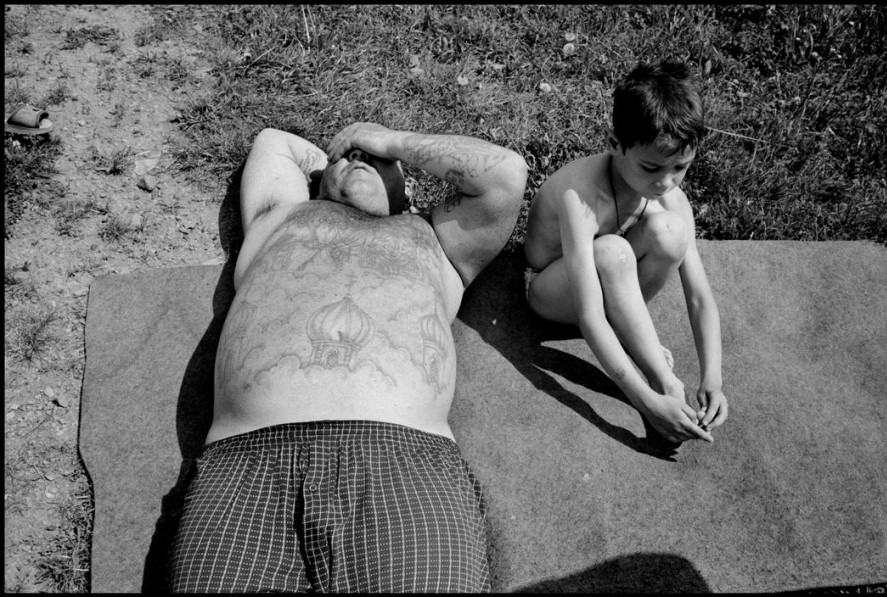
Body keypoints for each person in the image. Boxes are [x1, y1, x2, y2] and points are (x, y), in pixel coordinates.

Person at [167, 123, 527, 592]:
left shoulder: (440, 242)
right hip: (246, 468)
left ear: (407, 190)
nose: (359, 158)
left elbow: (505, 174)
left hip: (403, 466)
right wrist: (342, 164)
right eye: (347, 155)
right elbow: (274, 142)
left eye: (376, 160)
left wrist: (387, 141)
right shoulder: (278, 219)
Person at [523, 60, 729, 445]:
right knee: (612, 251)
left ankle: (635, 339)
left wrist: (712, 379)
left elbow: (700, 297)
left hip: (608, 276)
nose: (666, 181)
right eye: (651, 167)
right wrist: (646, 401)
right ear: (614, 143)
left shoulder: (669, 196)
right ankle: (662, 381)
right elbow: (589, 315)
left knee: (671, 232)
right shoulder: (580, 196)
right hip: (549, 291)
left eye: (680, 167)